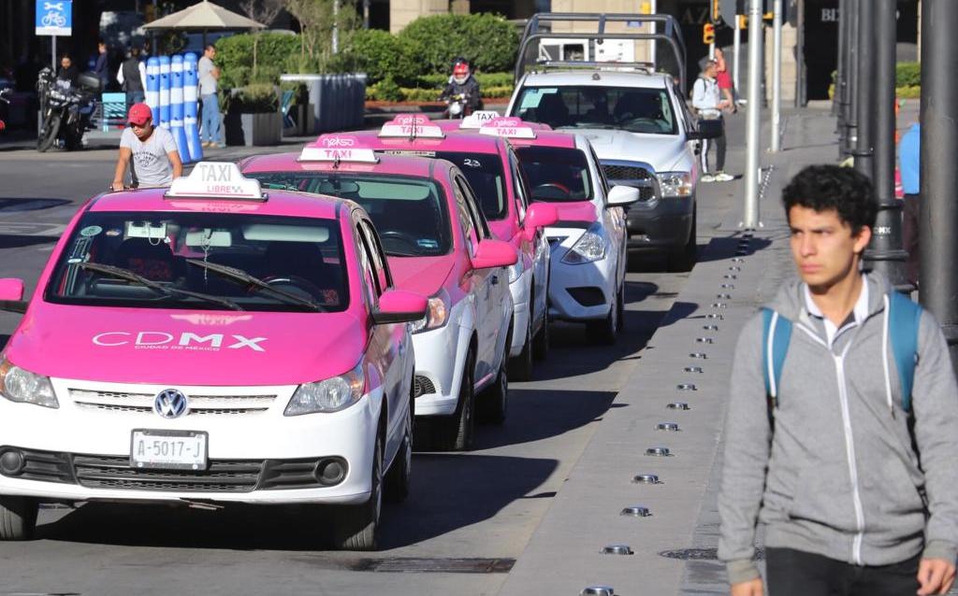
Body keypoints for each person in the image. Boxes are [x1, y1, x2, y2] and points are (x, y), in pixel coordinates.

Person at [718, 164, 958, 596]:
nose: (805, 249)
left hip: (898, 552)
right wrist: (738, 561)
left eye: (822, 233)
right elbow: (744, 452)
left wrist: (944, 540)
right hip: (799, 548)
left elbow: (944, 445)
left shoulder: (909, 330)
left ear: (860, 237)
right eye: (796, 233)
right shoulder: (769, 333)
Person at [111, 103, 182, 191]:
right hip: (138, 187)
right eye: (133, 124)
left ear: (150, 121)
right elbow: (123, 159)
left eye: (140, 123)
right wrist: (118, 181)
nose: (135, 128)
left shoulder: (164, 135)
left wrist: (175, 187)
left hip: (164, 186)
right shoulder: (127, 134)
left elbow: (176, 163)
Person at [692, 59, 732, 183]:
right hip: (706, 117)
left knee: (722, 144)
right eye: (715, 68)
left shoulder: (715, 83)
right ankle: (705, 172)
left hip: (717, 117)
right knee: (705, 146)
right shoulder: (700, 83)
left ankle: (719, 170)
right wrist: (715, 105)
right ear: (708, 69)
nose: (717, 70)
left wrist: (722, 105)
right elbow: (696, 102)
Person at [899, 122, 920, 289]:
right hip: (925, 194)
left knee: (910, 237)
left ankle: (908, 276)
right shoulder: (925, 140)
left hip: (909, 192)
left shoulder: (906, 139)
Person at [198, 44, 223, 148]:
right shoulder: (206, 61)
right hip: (210, 92)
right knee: (215, 116)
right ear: (206, 51)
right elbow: (216, 75)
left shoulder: (202, 61)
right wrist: (217, 69)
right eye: (212, 51)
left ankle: (205, 139)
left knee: (206, 116)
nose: (214, 54)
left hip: (204, 92)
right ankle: (215, 140)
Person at [117, 47, 146, 112]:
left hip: (128, 90)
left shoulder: (123, 64)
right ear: (139, 54)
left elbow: (119, 78)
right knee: (138, 112)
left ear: (130, 53)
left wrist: (124, 83)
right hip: (139, 90)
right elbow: (144, 80)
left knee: (128, 112)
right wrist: (146, 93)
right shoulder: (141, 64)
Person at [714, 48, 737, 113]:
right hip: (720, 78)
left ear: (721, 52)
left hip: (724, 78)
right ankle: (729, 105)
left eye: (717, 52)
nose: (716, 53)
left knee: (727, 92)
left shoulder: (721, 60)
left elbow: (723, 68)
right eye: (715, 52)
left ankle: (732, 106)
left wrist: (716, 69)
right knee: (723, 92)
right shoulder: (717, 60)